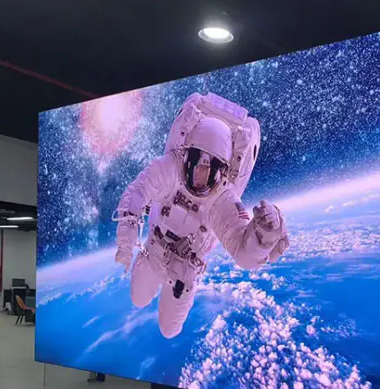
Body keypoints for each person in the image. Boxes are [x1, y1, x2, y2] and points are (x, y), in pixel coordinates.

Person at [113, 92, 289, 339]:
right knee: (138, 299)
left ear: (222, 171)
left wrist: (265, 235)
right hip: (153, 253)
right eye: (196, 161)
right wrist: (126, 240)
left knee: (169, 330)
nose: (200, 173)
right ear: (186, 156)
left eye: (210, 167)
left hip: (183, 273)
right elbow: (136, 194)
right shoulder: (170, 168)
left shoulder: (223, 198)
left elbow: (244, 255)